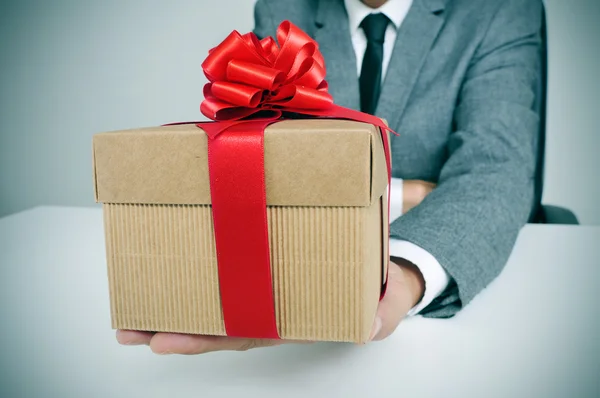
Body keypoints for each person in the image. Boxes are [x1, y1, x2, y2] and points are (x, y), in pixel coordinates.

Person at [117, 0, 542, 354]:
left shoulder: (498, 11)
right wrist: (399, 196)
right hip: (305, 261)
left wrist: (403, 272)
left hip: (445, 309)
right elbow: (266, 159)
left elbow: (496, 165)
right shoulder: (283, 10)